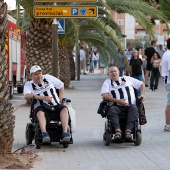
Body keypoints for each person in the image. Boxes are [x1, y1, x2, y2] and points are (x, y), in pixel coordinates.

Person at [24, 65, 70, 143]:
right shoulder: (29, 84)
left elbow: (61, 85)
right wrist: (42, 97)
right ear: (31, 75)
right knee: (40, 112)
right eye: (36, 74)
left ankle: (65, 133)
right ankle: (44, 134)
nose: (39, 76)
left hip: (55, 104)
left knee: (64, 109)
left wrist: (61, 99)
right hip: (42, 106)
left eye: (40, 73)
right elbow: (26, 96)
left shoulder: (48, 78)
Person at [101, 66, 145, 141]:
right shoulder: (107, 82)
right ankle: (118, 131)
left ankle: (128, 131)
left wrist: (142, 94)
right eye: (111, 72)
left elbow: (141, 84)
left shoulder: (127, 79)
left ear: (118, 72)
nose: (114, 73)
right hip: (116, 106)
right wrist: (118, 101)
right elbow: (104, 95)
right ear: (108, 74)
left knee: (134, 109)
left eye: (115, 71)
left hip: (130, 106)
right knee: (111, 110)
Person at [160, 38, 170, 132]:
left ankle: (168, 125)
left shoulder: (166, 54)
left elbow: (161, 68)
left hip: (167, 81)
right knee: (169, 103)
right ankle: (168, 125)